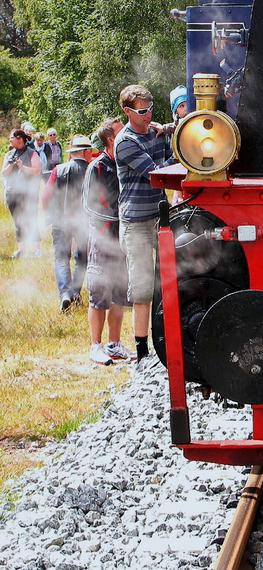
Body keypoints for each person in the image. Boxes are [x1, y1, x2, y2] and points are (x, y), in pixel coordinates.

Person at [114, 84, 175, 364]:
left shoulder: (156, 133)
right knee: (141, 288)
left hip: (158, 216)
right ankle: (141, 352)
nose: (148, 115)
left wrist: (173, 131)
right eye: (142, 111)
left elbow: (172, 161)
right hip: (135, 222)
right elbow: (157, 172)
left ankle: (167, 342)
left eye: (150, 109)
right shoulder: (125, 141)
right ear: (127, 112)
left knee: (170, 281)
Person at [83, 117, 134, 365]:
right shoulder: (97, 168)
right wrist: (115, 217)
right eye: (121, 131)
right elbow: (88, 205)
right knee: (99, 293)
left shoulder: (125, 162)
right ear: (111, 139)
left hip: (124, 237)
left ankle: (114, 344)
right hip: (103, 238)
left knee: (120, 294)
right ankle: (96, 346)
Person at [42, 133, 93, 310]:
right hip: (83, 221)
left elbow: (45, 195)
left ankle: (64, 293)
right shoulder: (92, 170)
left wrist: (49, 214)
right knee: (82, 258)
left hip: (60, 219)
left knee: (61, 258)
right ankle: (74, 292)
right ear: (85, 152)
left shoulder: (58, 169)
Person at [2, 129, 42, 258]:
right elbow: (3, 173)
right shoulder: (8, 155)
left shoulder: (32, 153)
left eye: (11, 138)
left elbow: (36, 171)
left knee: (31, 219)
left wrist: (22, 167)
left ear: (19, 138)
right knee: (18, 220)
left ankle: (36, 249)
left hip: (28, 192)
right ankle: (21, 249)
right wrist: (11, 164)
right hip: (12, 192)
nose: (10, 140)